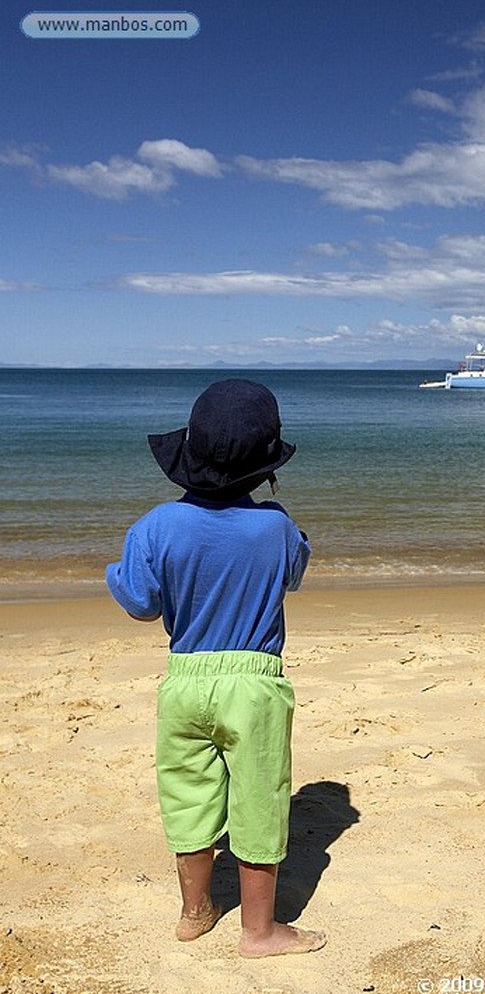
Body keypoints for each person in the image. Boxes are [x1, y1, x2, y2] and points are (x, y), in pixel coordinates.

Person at [106, 379, 326, 958]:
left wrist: (116, 570)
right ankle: (259, 932)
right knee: (258, 798)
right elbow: (292, 574)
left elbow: (139, 604)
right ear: (267, 467)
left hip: (184, 676)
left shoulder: (155, 526)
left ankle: (195, 911)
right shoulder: (276, 527)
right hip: (253, 682)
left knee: (188, 794)